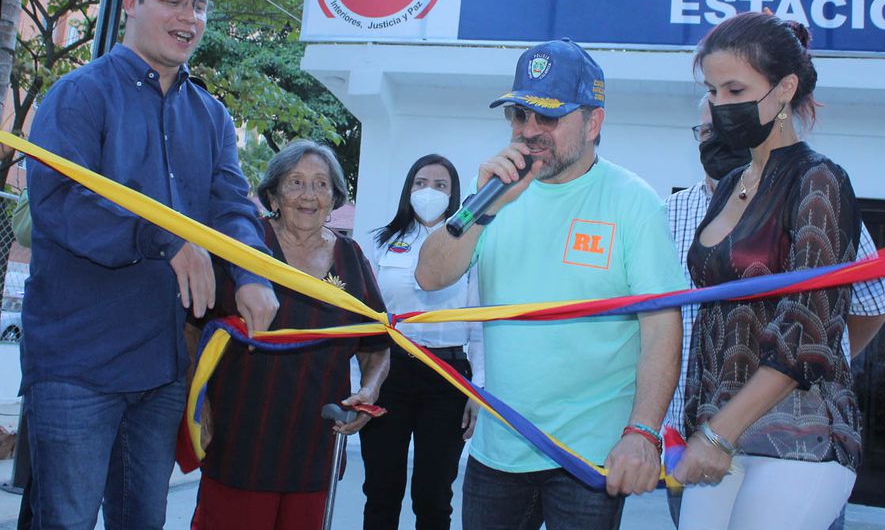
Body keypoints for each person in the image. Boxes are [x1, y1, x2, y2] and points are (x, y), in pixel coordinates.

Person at [22, 0, 279, 529]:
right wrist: (164, 239)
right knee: (65, 520)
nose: (190, 18)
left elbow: (230, 207)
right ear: (130, 4)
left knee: (143, 521)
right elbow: (60, 205)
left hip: (162, 364)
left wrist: (251, 272)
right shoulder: (79, 95)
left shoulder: (211, 116)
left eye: (200, 6)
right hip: (76, 364)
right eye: (173, 0)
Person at [416, 38, 685, 530]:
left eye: (548, 117)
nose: (529, 131)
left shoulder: (633, 202)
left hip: (588, 458)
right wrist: (482, 206)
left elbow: (662, 326)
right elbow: (430, 277)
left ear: (593, 122)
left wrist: (642, 433)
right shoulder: (494, 197)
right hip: (497, 451)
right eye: (520, 115)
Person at [670, 11, 865, 529]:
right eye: (712, 91)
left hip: (795, 436)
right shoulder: (732, 182)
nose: (720, 105)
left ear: (785, 89)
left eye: (735, 89)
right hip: (717, 431)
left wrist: (716, 435)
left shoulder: (819, 180)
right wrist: (704, 430)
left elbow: (810, 333)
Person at [190, 140, 390, 529]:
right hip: (240, 436)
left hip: (316, 441)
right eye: (296, 182)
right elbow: (192, 325)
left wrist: (369, 390)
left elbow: (377, 344)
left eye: (321, 184)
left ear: (334, 199)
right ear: (274, 193)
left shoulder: (350, 257)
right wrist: (200, 405)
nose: (309, 195)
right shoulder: (245, 247)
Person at [360, 153, 484, 530]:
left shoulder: (471, 247)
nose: (429, 192)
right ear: (408, 190)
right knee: (381, 490)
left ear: (454, 195)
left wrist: (476, 389)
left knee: (432, 496)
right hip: (388, 373)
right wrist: (362, 383)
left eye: (440, 185)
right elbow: (365, 318)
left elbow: (479, 324)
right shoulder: (381, 243)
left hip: (446, 376)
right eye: (421, 183)